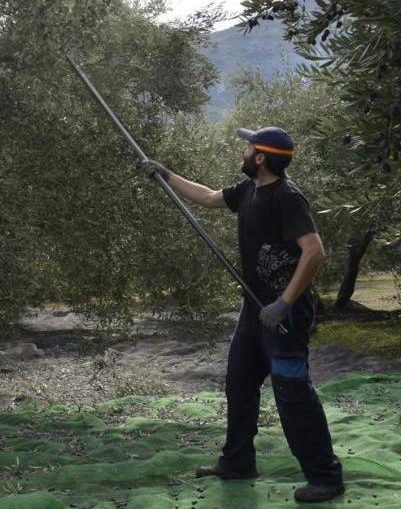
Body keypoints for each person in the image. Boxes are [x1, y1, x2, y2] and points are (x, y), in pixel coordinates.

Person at [141, 127, 345, 504]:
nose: (245, 151)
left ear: (261, 157)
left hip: (285, 316)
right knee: (238, 382)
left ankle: (326, 476)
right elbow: (206, 196)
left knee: (293, 393)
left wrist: (283, 302)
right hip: (254, 311)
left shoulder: (287, 198)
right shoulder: (249, 191)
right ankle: (237, 462)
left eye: (249, 147)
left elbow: (314, 251)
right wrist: (165, 175)